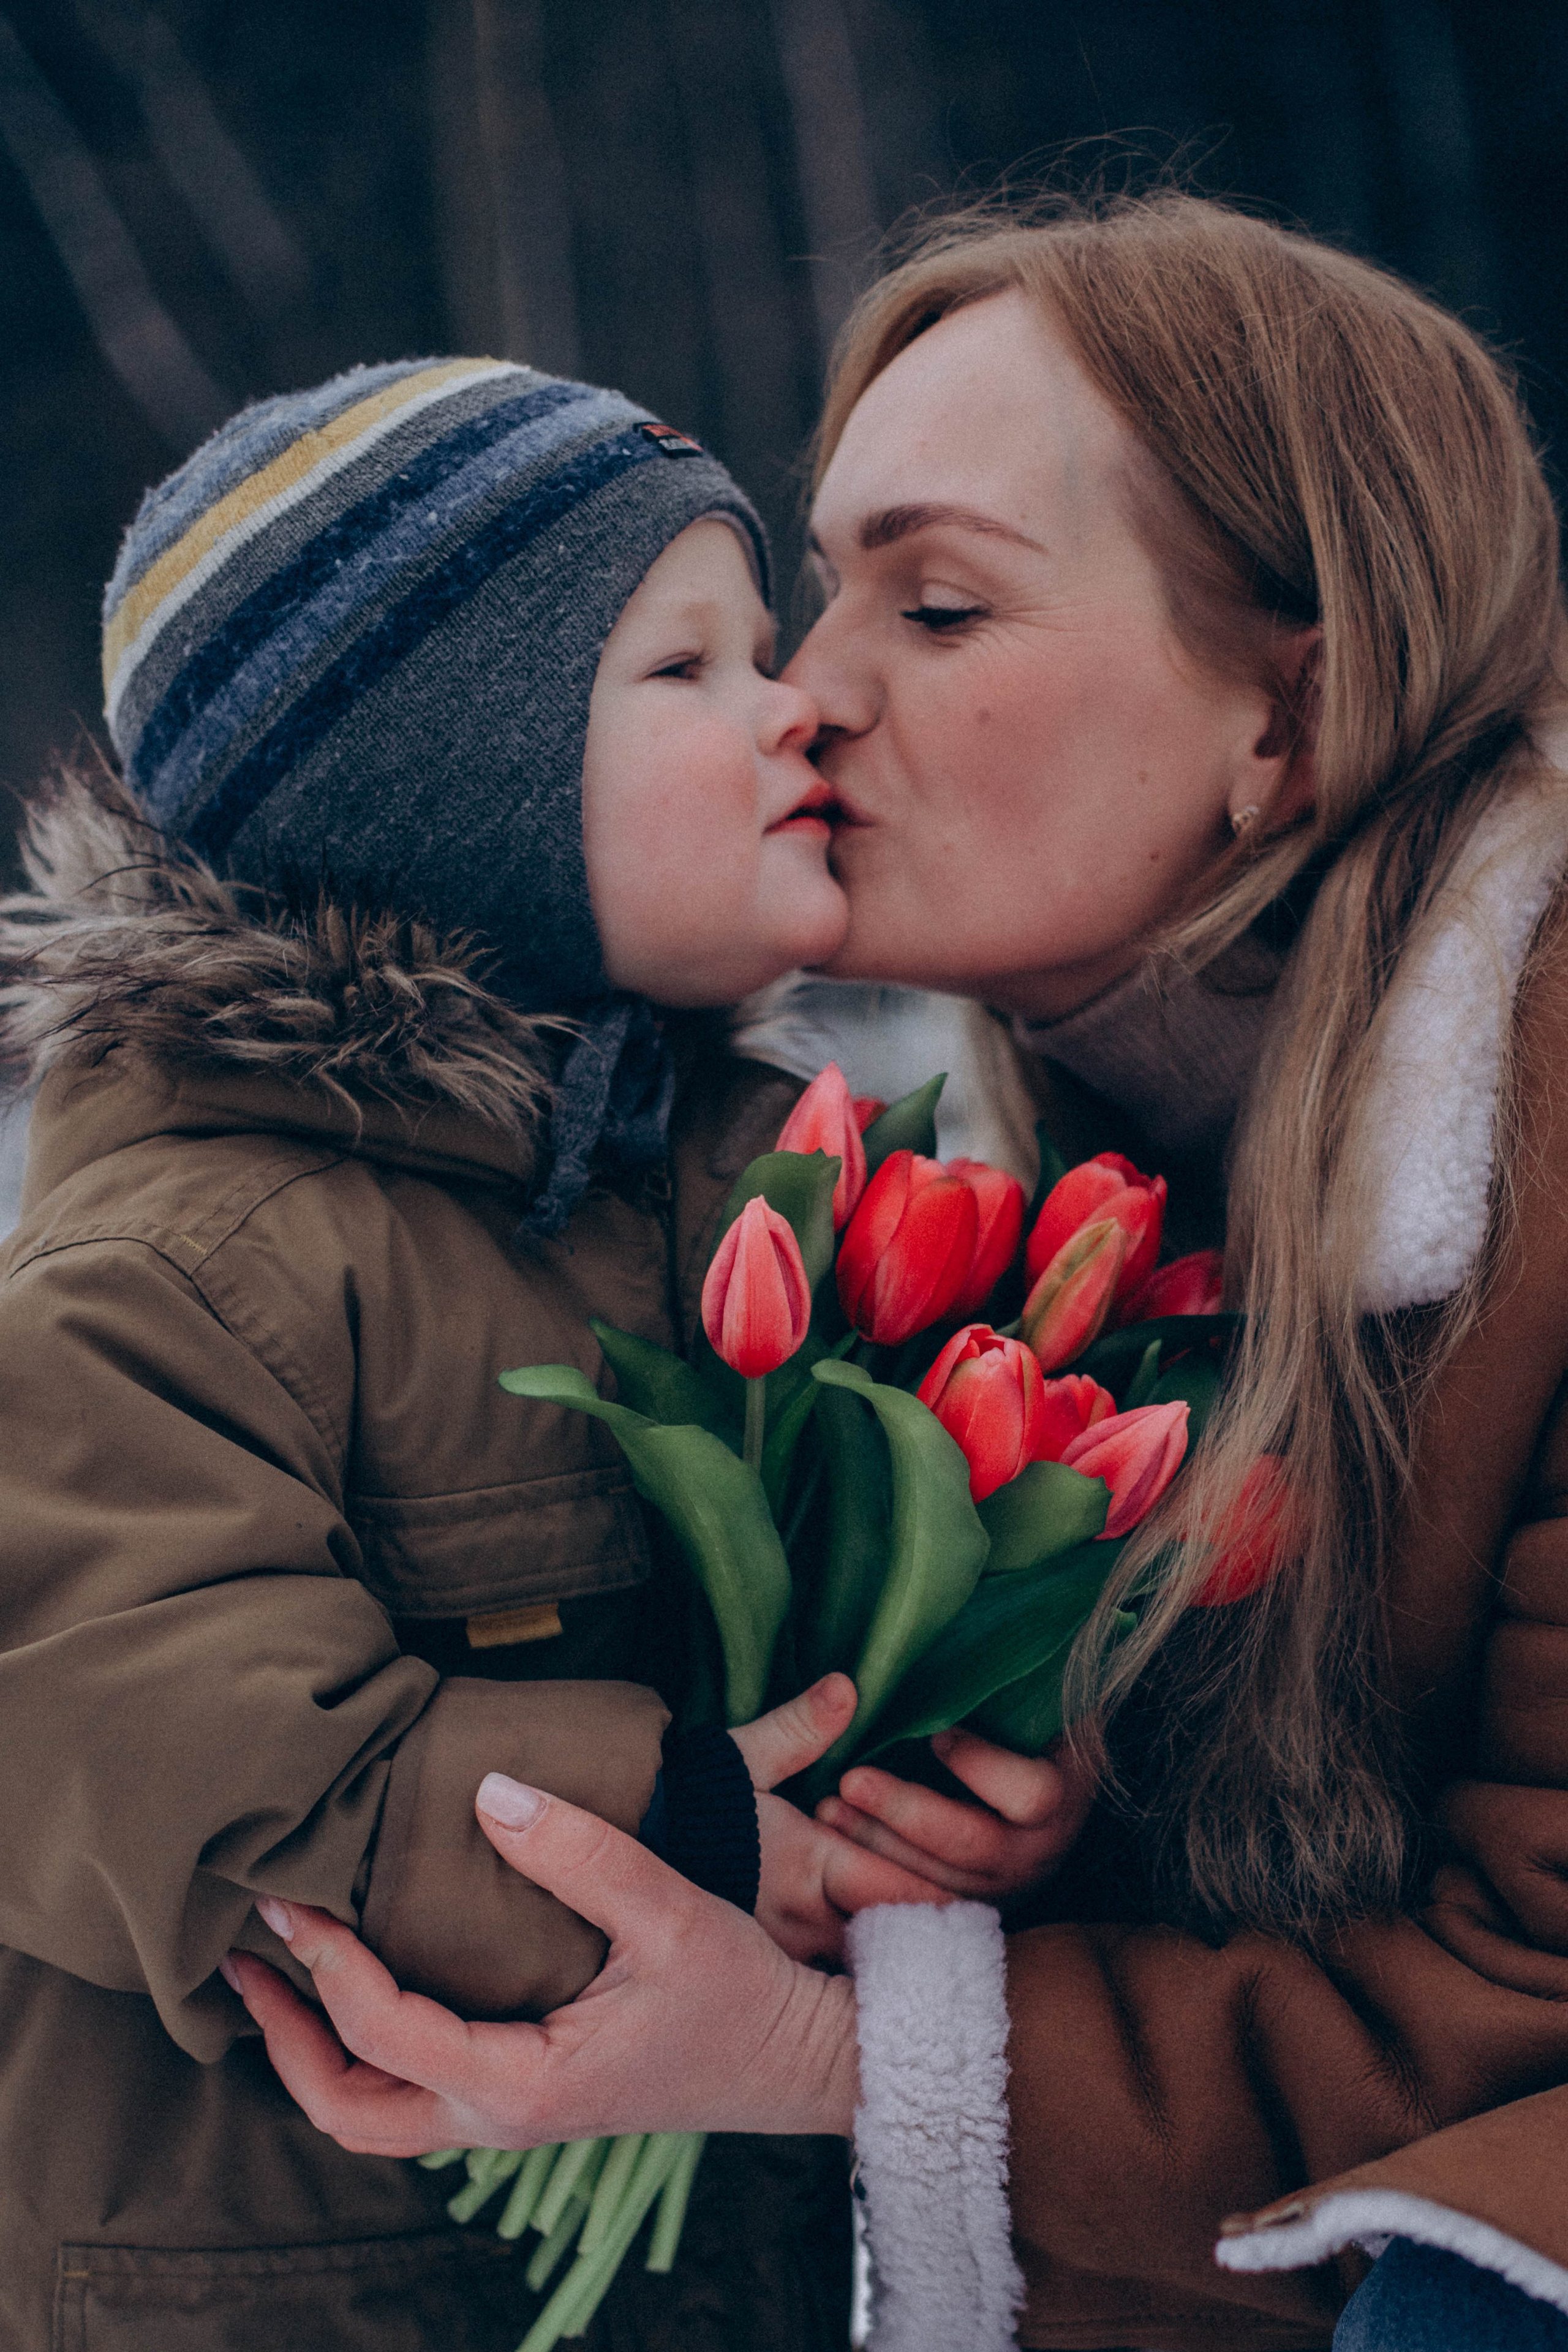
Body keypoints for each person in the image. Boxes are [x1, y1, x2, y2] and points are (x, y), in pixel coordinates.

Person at [228, 194, 1568, 2352]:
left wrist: (811, 2049)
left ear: (1291, 721)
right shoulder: (1027, 1163)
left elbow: (1533, 2022)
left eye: (933, 608)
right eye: (809, 591)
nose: (803, 697)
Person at [0, 356, 955, 2352]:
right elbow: (118, 1732)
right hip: (298, 2286)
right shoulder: (198, 1258)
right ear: (449, 797)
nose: (798, 707)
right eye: (687, 666)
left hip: (709, 2277)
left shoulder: (723, 1180)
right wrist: (670, 1830)